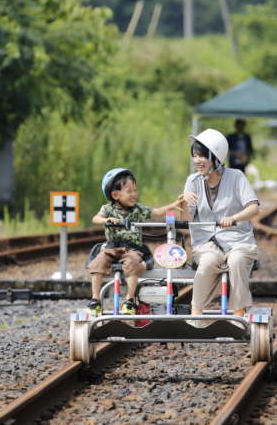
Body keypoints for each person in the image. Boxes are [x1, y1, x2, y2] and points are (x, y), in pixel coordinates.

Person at [181, 128, 260, 317]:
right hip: (206, 242)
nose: (197, 161)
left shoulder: (236, 177)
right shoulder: (192, 181)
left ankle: (238, 313)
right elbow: (185, 220)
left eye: (202, 156)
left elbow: (254, 208)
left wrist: (233, 218)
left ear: (216, 158)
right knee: (207, 262)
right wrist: (184, 202)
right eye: (194, 156)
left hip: (237, 239)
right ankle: (196, 314)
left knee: (237, 260)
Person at [87, 168, 183, 315]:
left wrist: (172, 205)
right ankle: (95, 300)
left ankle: (129, 300)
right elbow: (96, 219)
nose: (134, 195)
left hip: (132, 249)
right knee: (98, 263)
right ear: (115, 194)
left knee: (132, 264)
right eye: (129, 191)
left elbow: (155, 212)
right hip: (112, 247)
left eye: (135, 190)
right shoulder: (107, 209)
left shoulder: (137, 209)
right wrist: (107, 220)